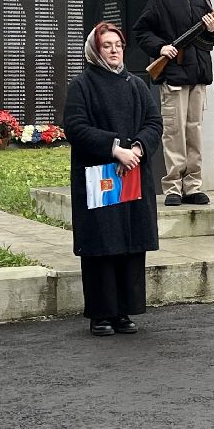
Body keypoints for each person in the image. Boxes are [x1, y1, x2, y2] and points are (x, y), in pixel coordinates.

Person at [64, 22, 162, 336]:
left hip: (133, 170)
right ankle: (101, 313)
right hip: (99, 175)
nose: (115, 50)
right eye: (107, 45)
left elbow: (153, 122)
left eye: (118, 45)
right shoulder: (82, 85)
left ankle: (124, 311)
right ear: (95, 49)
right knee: (103, 244)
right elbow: (76, 128)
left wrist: (137, 148)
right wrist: (115, 148)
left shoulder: (137, 84)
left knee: (129, 243)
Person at [132, 0, 214, 207]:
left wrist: (213, 29)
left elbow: (210, 40)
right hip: (173, 74)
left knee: (194, 131)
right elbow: (142, 31)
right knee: (174, 132)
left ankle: (193, 186)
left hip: (198, 75)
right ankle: (173, 187)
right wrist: (160, 47)